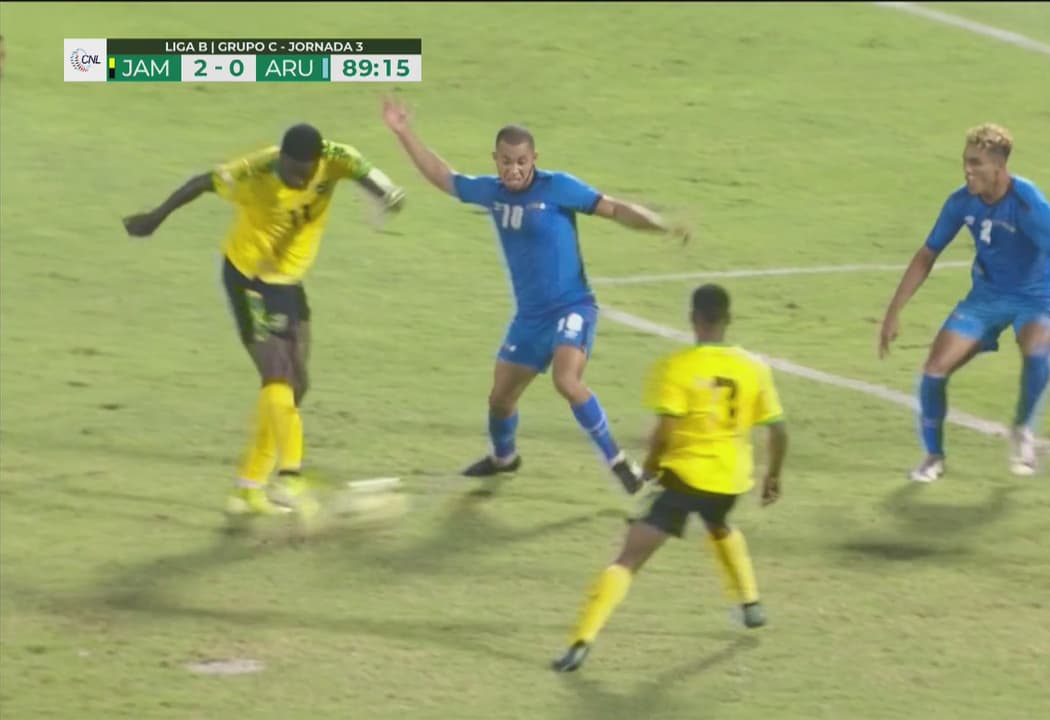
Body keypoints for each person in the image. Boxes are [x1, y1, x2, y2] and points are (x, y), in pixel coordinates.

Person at [380, 95, 690, 494]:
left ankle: (618, 462)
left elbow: (614, 209)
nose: (514, 169)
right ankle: (504, 458)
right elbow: (443, 177)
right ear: (496, 160)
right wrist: (403, 132)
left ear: (534, 159)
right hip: (530, 318)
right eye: (506, 161)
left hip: (572, 306)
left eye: (521, 161)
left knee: (566, 379)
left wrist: (660, 225)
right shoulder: (492, 192)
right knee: (500, 400)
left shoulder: (558, 187)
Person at [122, 124, 406, 521]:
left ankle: (248, 489)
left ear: (317, 162)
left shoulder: (336, 158)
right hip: (248, 277)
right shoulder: (254, 171)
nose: (296, 180)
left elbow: (368, 174)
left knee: (297, 384)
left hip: (287, 282)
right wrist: (155, 217)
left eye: (303, 173)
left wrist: (386, 193)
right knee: (278, 374)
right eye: (289, 171)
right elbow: (201, 182)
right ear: (280, 159)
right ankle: (290, 477)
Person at [551, 284, 788, 672]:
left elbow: (665, 433)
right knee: (718, 523)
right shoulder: (754, 367)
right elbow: (778, 430)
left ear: (693, 318)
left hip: (684, 479)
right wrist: (772, 476)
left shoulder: (676, 367)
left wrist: (650, 468)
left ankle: (581, 641)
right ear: (728, 319)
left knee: (629, 558)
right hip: (730, 481)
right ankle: (751, 603)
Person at [878, 123, 1050, 482]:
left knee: (1037, 351)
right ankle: (933, 456)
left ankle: (1022, 428)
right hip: (986, 298)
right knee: (934, 370)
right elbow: (926, 255)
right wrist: (893, 312)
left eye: (976, 163)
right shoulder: (961, 202)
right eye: (965, 161)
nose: (967, 170)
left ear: (999, 166)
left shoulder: (1028, 204)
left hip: (1036, 299)